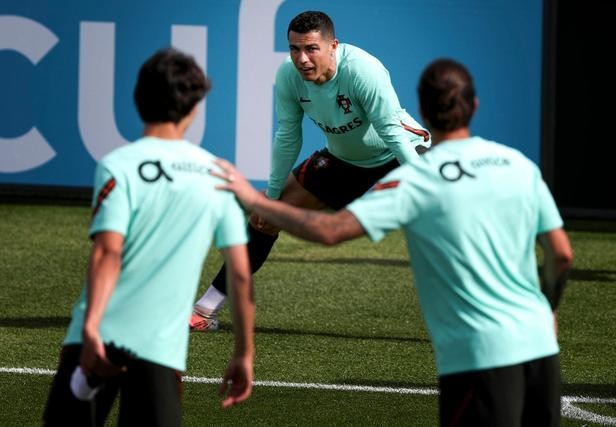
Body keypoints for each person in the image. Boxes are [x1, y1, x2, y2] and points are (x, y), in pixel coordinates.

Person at [211, 58, 573, 426]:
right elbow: (561, 254)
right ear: (475, 106)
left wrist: (256, 200)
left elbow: (330, 231)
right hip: (541, 347)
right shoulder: (518, 165)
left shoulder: (417, 181)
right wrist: (548, 310)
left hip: (479, 356)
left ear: (421, 112)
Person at [43, 48, 255, 426]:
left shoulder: (117, 165)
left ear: (138, 99)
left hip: (97, 335)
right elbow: (240, 274)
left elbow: (108, 252)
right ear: (194, 108)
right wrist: (244, 353)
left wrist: (91, 328)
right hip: (159, 348)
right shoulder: (218, 176)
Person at [190, 10, 430, 331]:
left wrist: (429, 190)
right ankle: (205, 310)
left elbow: (392, 133)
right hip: (345, 161)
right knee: (265, 220)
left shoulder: (363, 70)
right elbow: (288, 135)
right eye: (294, 49)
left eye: (311, 49)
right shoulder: (288, 76)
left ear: (333, 46)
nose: (302, 59)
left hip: (402, 152)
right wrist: (271, 197)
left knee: (447, 226)